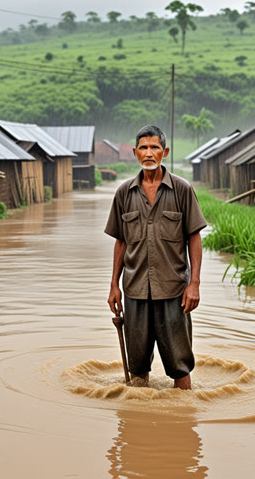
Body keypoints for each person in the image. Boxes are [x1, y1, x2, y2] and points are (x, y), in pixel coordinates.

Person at [105, 125, 207, 390]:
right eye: (143, 148)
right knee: (137, 367)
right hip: (135, 291)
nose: (149, 153)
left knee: (180, 365)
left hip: (174, 292)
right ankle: (138, 422)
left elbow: (194, 237)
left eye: (155, 148)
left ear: (165, 152)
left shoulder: (182, 190)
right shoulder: (124, 193)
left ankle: (183, 421)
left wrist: (194, 284)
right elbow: (121, 241)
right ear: (135, 153)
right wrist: (114, 285)